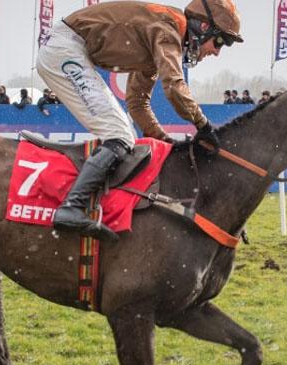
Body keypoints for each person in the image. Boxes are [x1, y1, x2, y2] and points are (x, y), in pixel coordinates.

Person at [36, 0, 243, 240]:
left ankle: (83, 205)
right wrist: (204, 125)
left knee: (125, 137)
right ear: (204, 26)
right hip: (65, 50)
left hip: (68, 49)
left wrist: (165, 140)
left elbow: (137, 103)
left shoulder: (160, 35)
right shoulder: (169, 29)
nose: (217, 52)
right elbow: (174, 87)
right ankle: (72, 207)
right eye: (220, 41)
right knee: (120, 136)